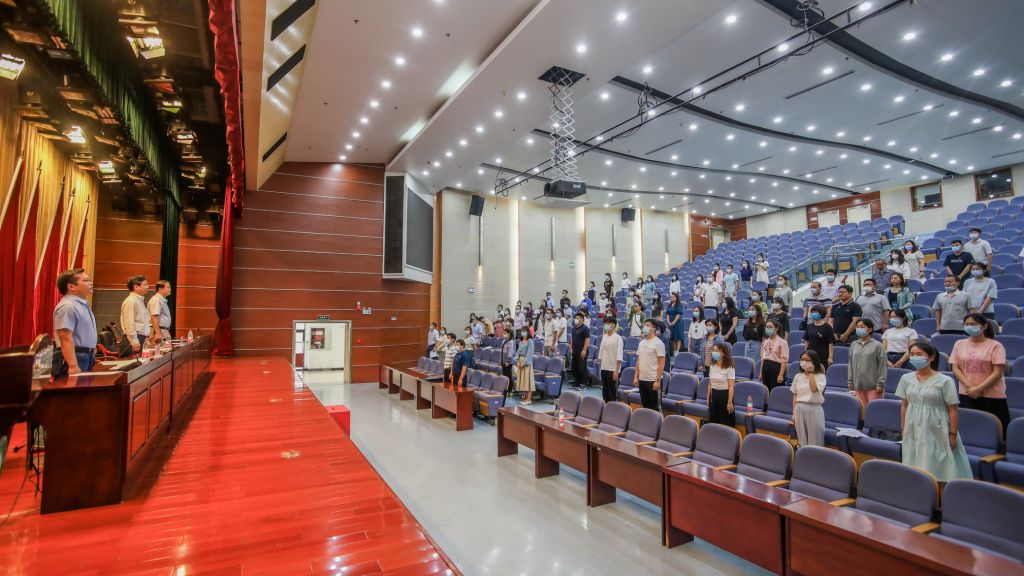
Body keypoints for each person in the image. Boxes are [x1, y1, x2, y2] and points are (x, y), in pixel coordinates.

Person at [897, 341, 973, 482]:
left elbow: (953, 410)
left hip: (937, 428)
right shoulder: (905, 378)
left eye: (919, 354)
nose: (915, 358)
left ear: (931, 357)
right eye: (912, 355)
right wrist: (904, 428)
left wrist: (952, 435)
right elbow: (904, 405)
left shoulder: (946, 381)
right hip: (913, 426)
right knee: (914, 463)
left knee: (940, 467)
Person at [950, 312, 1011, 431]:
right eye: (967, 324)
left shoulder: (996, 346)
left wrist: (978, 389)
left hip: (992, 394)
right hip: (967, 393)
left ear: (984, 326)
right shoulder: (959, 344)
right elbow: (955, 368)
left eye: (973, 324)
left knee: (996, 430)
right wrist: (970, 387)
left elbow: (997, 372)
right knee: (970, 429)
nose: (969, 326)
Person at [52, 268, 98, 378]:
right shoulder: (68, 306)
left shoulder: (81, 304)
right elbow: (65, 338)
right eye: (86, 280)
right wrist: (73, 365)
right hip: (76, 357)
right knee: (75, 388)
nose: (90, 283)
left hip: (86, 356)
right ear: (71, 286)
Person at [791, 350, 827, 447]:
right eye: (802, 360)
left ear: (814, 361)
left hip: (813, 408)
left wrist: (811, 373)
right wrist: (793, 414)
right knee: (802, 440)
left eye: (807, 360)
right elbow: (795, 396)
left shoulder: (821, 376)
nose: (803, 362)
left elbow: (814, 389)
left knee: (815, 440)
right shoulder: (798, 376)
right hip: (799, 408)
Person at [848, 319, 886, 405]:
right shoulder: (854, 344)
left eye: (862, 327)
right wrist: (850, 380)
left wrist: (880, 383)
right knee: (861, 410)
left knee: (873, 410)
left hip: (873, 385)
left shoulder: (878, 345)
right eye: (857, 327)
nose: (859, 328)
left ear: (870, 329)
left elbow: (882, 365)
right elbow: (850, 363)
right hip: (858, 385)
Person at [634, 319, 667, 410]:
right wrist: (636, 377)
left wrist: (657, 380)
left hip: (653, 380)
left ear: (654, 329)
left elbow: (662, 362)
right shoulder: (641, 343)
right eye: (644, 325)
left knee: (656, 408)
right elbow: (638, 361)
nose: (645, 327)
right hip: (642, 379)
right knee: (645, 407)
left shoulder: (658, 343)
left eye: (647, 325)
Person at [706, 343, 736, 427]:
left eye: (717, 351)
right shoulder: (712, 366)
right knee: (714, 420)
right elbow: (710, 383)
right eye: (713, 350)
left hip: (724, 395)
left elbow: (731, 386)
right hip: (713, 394)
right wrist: (708, 397)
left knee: (725, 421)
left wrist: (729, 403)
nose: (714, 352)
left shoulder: (729, 367)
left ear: (723, 353)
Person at [120, 275, 151, 353]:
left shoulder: (139, 300)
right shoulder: (131, 301)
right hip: (134, 340)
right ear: (136, 287)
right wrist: (134, 341)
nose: (148, 287)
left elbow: (142, 322)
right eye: (145, 284)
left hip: (141, 338)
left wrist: (146, 338)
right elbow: (129, 323)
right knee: (133, 361)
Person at [598, 317, 624, 402]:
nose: (606, 325)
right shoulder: (604, 337)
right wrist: (601, 367)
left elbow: (619, 356)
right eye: (605, 323)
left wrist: (616, 371)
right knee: (605, 391)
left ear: (613, 325)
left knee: (612, 392)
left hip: (613, 369)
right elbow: (601, 354)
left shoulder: (618, 338)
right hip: (604, 368)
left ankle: (613, 408)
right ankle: (605, 406)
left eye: (608, 323)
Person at [760, 319, 789, 389]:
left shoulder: (782, 342)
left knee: (775, 389)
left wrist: (781, 374)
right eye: (767, 327)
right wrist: (760, 372)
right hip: (765, 367)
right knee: (766, 390)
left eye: (770, 327)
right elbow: (763, 359)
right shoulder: (765, 342)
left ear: (776, 328)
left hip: (776, 368)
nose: (768, 329)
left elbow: (784, 360)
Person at [514, 329, 536, 405]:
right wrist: (516, 361)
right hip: (520, 361)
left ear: (528, 332)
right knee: (523, 381)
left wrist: (524, 363)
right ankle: (525, 398)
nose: (523, 332)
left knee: (528, 380)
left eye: (524, 331)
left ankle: (529, 399)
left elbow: (530, 353)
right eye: (522, 331)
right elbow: (517, 352)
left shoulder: (530, 341)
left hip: (526, 362)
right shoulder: (520, 341)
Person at [570, 312, 591, 391]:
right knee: (574, 367)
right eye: (575, 318)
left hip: (582, 351)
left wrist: (584, 350)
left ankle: (584, 384)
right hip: (574, 351)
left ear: (582, 319)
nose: (576, 319)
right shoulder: (574, 328)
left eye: (577, 318)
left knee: (582, 368)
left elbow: (587, 340)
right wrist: (571, 347)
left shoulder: (585, 328)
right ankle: (577, 383)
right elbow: (572, 338)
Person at [148, 280, 173, 344]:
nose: (170, 289)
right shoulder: (156, 300)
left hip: (163, 330)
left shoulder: (161, 300)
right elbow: (154, 317)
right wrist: (158, 333)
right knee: (160, 350)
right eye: (168, 287)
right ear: (160, 289)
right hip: (159, 331)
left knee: (165, 349)